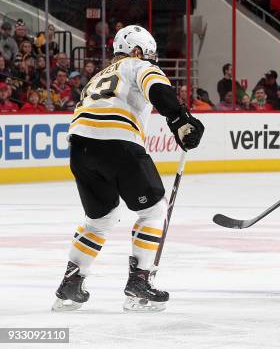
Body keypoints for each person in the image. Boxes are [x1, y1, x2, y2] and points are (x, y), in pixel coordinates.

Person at [52, 25, 204, 312]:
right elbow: (158, 89)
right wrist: (180, 118)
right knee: (154, 210)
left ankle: (70, 286)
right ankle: (139, 283)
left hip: (80, 148)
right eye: (149, 54)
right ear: (136, 51)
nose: (152, 60)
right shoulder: (138, 65)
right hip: (118, 143)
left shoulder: (99, 75)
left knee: (100, 219)